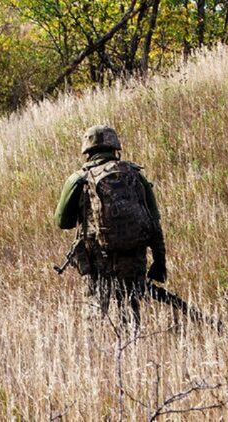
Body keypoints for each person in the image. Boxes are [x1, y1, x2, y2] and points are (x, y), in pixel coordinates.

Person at [54, 125, 166, 328]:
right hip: (134, 259)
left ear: (87, 151)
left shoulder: (79, 179)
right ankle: (132, 343)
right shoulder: (135, 175)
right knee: (130, 315)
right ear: (116, 148)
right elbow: (154, 223)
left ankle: (96, 345)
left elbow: (63, 222)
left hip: (98, 261)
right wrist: (159, 262)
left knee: (94, 317)